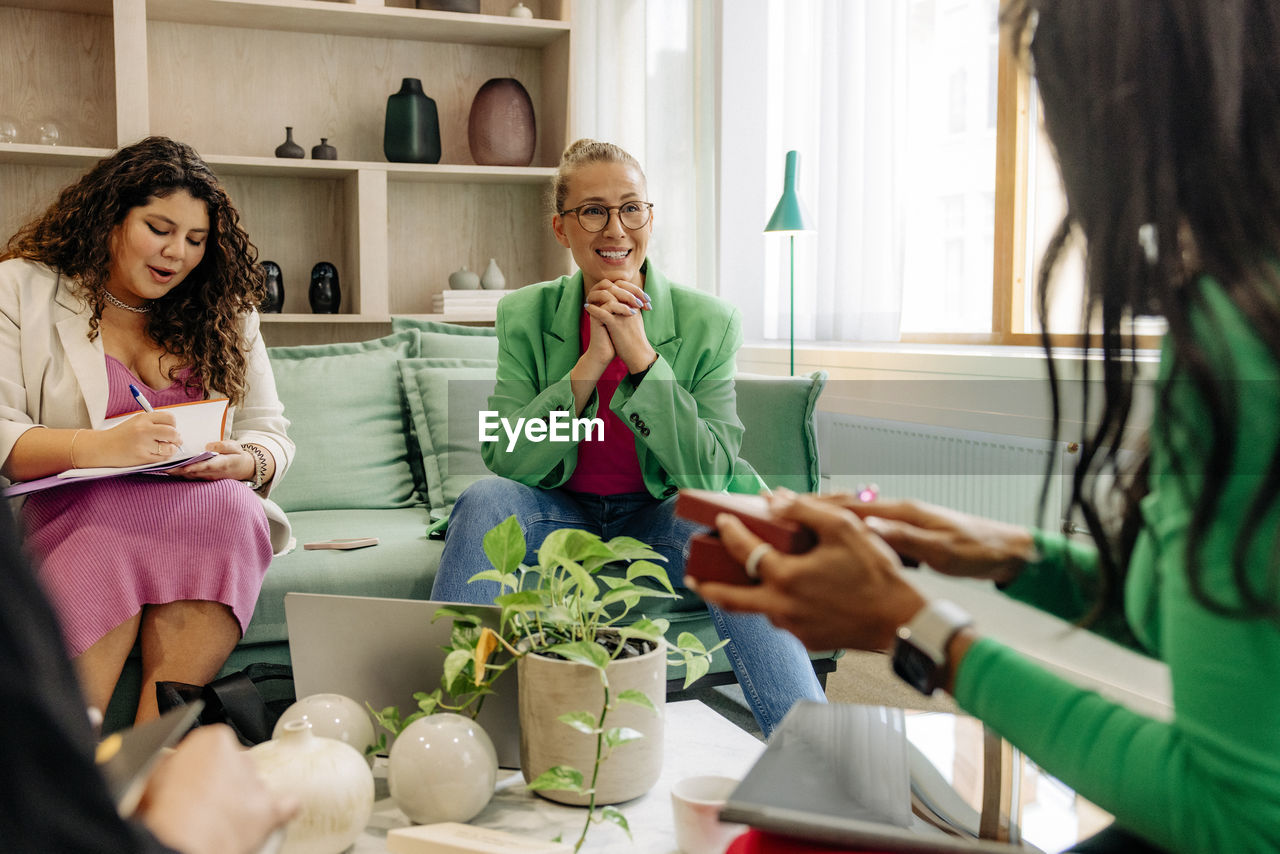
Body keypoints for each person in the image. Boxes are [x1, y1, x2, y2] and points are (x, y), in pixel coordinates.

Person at [694, 1, 1280, 852]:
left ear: (1133, 98)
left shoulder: (1244, 347)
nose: (1045, 121)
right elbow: (1209, 627)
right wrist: (1003, 555)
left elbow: (1242, 817)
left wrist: (913, 623)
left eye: (1049, 78)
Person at [431, 138, 826, 737]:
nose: (615, 228)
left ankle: (814, 757)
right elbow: (507, 454)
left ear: (650, 218)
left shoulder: (708, 322)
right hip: (556, 512)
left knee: (723, 525)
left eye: (631, 208)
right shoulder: (524, 314)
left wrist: (640, 357)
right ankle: (445, 732)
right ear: (562, 228)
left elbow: (712, 470)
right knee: (484, 501)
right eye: (593, 210)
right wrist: (590, 361)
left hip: (656, 516)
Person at [0, 136, 294, 725]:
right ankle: (73, 753)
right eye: (159, 228)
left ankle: (155, 746)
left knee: (235, 510)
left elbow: (271, 433)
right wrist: (99, 446)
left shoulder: (225, 309)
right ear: (110, 217)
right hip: (80, 504)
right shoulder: (22, 287)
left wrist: (247, 463)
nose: (177, 254)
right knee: (108, 523)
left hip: (201, 502)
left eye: (195, 239)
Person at [0, 497, 297, 854]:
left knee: (226, 509)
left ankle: (145, 766)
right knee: (103, 514)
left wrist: (248, 460)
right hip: (78, 485)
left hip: (201, 487)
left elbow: (264, 443)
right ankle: (76, 772)